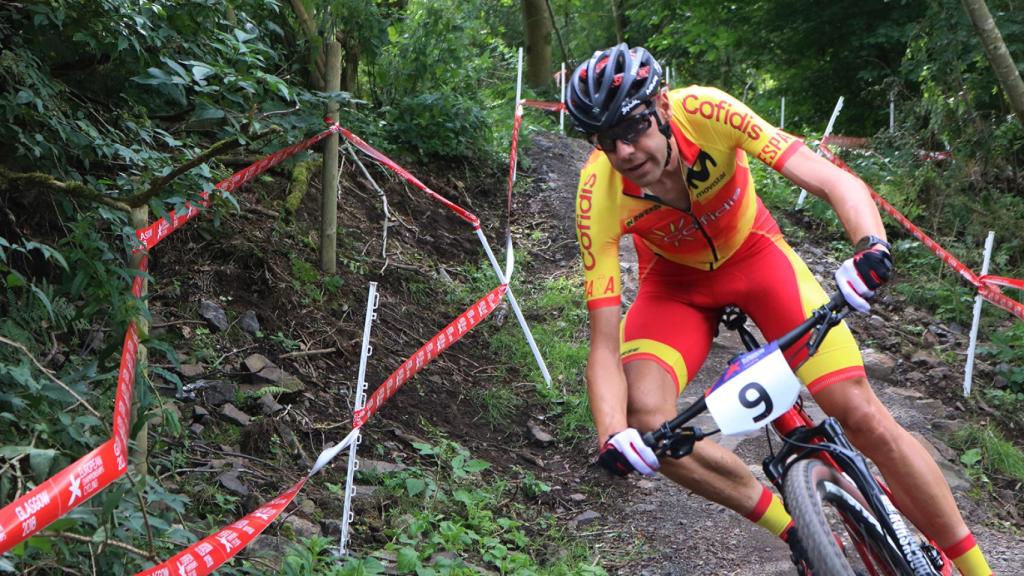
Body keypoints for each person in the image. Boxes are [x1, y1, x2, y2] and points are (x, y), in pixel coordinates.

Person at [567, 43, 992, 576]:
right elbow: (603, 344)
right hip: (674, 289)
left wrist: (871, 247)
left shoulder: (708, 110)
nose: (624, 150)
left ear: (664, 107)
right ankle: (794, 529)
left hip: (756, 258)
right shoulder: (598, 193)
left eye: (632, 127)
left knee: (859, 412)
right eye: (606, 141)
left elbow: (831, 179)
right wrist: (613, 434)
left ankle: (979, 570)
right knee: (646, 420)